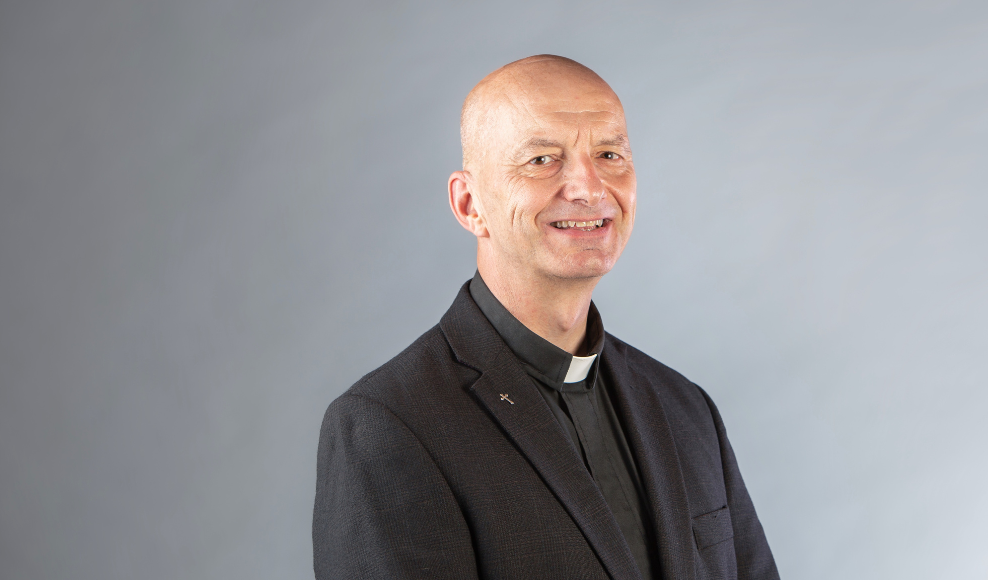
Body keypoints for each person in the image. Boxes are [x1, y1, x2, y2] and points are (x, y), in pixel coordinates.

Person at [313, 55, 779, 580]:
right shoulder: (390, 426)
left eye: (609, 154)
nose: (589, 188)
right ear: (470, 205)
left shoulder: (685, 408)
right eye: (541, 160)